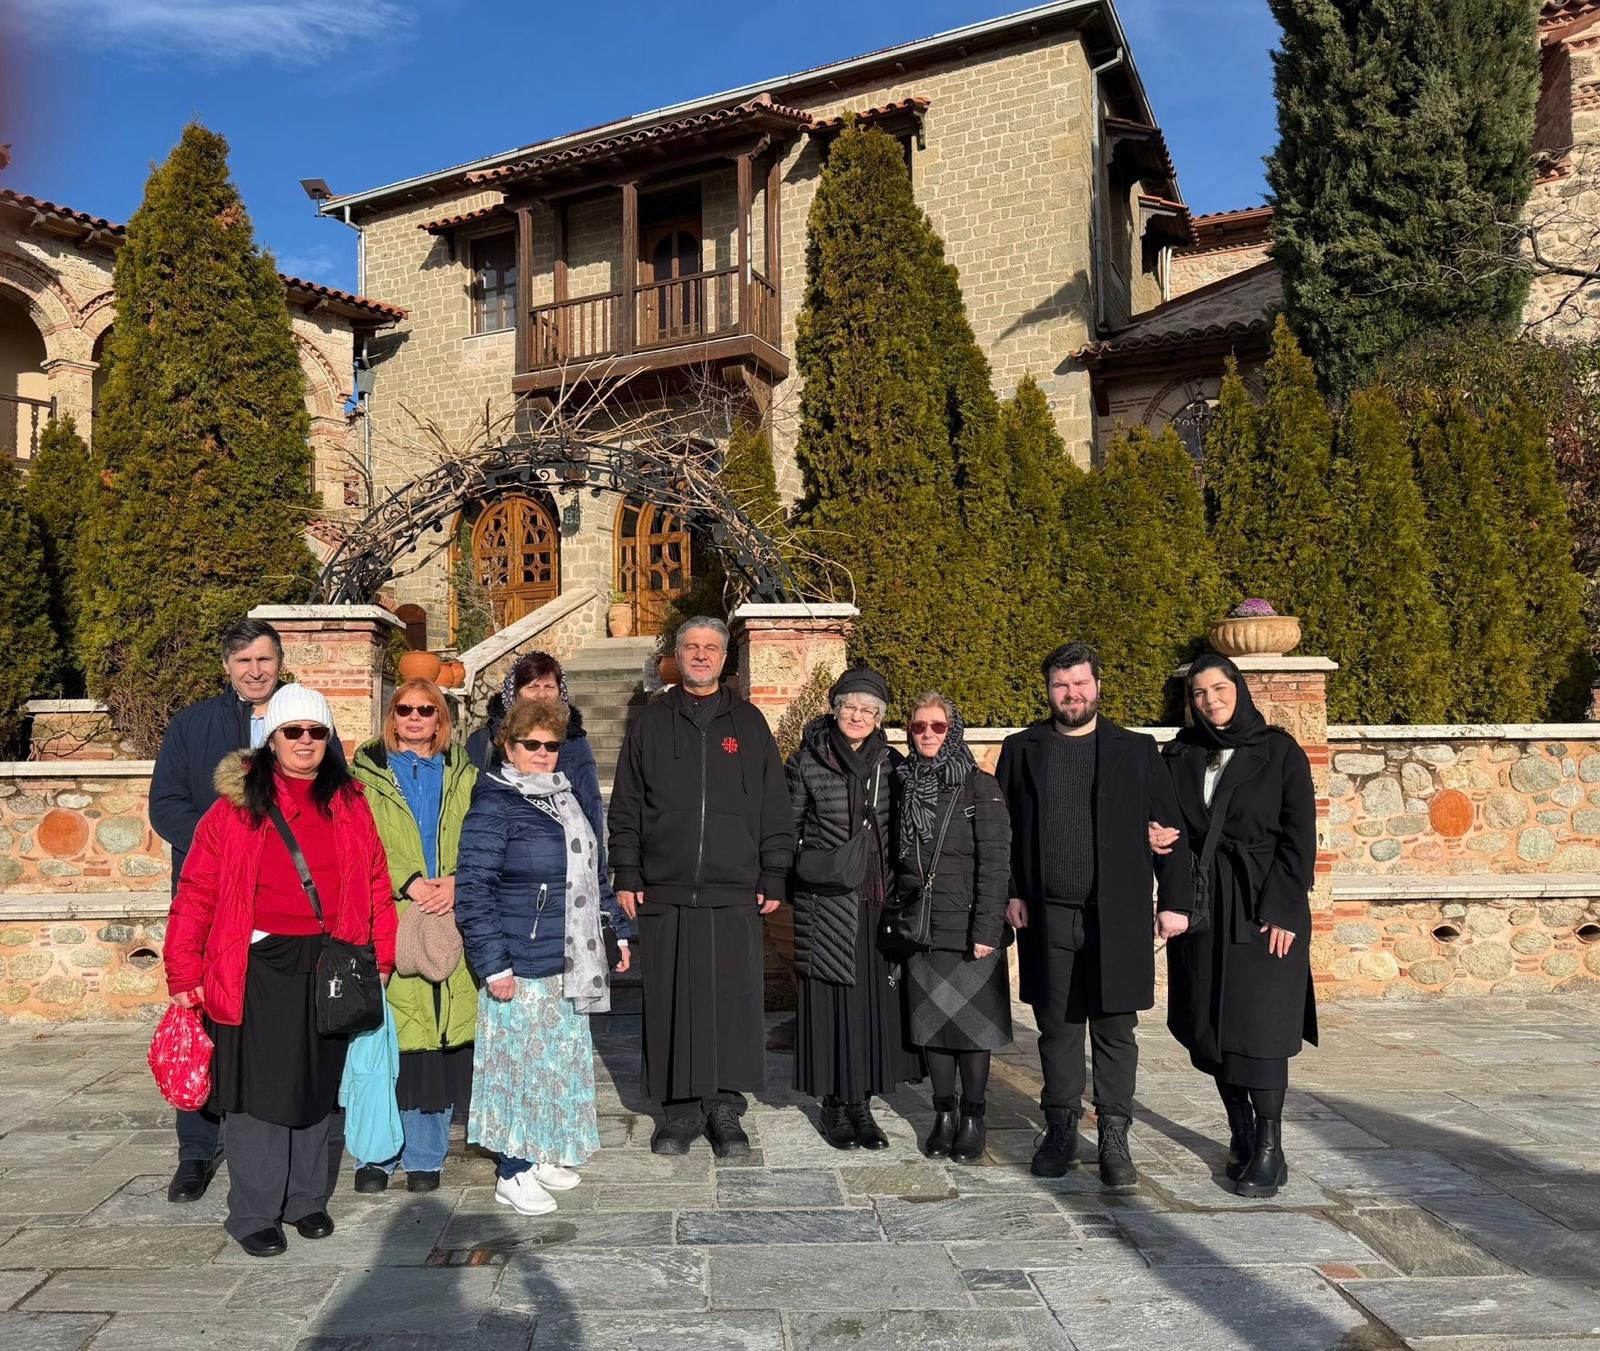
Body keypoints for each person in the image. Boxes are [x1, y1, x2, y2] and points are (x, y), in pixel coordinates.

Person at [163, 685, 396, 1257]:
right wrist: (183, 969)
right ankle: (253, 1211)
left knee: (316, 1083)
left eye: (317, 732)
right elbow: (197, 890)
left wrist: (382, 957)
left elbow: (375, 881)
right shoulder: (235, 807)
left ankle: (305, 1198)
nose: (306, 741)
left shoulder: (349, 801)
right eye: (294, 731)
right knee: (259, 1091)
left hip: (331, 958)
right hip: (256, 962)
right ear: (272, 739)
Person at [995, 641, 1192, 1190]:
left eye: (1080, 683)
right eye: (1061, 685)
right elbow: (1003, 830)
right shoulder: (1021, 749)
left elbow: (1170, 831)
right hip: (1047, 913)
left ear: (1098, 686)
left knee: (1115, 1028)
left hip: (1117, 914)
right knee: (1056, 1028)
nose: (1071, 694)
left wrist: (1174, 902)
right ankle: (1060, 1128)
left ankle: (1114, 1135)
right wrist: (1010, 892)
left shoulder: (1137, 750)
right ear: (1048, 690)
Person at [608, 616, 795, 1158]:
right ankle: (679, 1109)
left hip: (734, 888)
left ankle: (723, 1106)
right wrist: (627, 871)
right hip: (665, 888)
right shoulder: (651, 722)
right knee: (671, 1000)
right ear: (678, 655)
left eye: (711, 647)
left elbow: (774, 804)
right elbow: (627, 804)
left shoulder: (749, 723)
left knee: (731, 1001)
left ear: (724, 658)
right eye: (691, 646)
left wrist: (774, 871)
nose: (701, 655)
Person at [454, 698, 632, 1217]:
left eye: (550, 745)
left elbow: (593, 875)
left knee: (557, 1064)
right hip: (520, 957)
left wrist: (617, 933)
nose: (541, 753)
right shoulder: (495, 802)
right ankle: (513, 1169)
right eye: (529, 744)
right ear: (507, 747)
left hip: (569, 955)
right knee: (518, 1069)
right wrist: (494, 963)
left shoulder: (564, 797)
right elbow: (474, 889)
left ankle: (544, 1149)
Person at [150, 618, 297, 1204]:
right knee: (203, 1016)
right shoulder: (192, 726)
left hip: (284, 904)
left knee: (274, 1022)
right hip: (212, 901)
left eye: (264, 659)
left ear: (279, 662)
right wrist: (226, 848)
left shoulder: (303, 721)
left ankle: (271, 1138)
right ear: (227, 667)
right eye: (243, 661)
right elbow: (166, 805)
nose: (255, 671)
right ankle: (195, 1150)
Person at [1159, 653, 1317, 1198]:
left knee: (1261, 1027)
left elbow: (1299, 837)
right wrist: (1151, 835)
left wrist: (1283, 909)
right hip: (1203, 901)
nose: (1210, 700)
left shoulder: (1279, 752)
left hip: (1263, 904)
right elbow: (1163, 823)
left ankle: (1271, 1147)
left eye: (1219, 688)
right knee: (1213, 1026)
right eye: (1199, 693)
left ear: (1239, 689)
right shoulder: (1179, 754)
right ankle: (1241, 1132)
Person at [349, 679, 479, 1195]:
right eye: (405, 709)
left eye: (427, 710)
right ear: (392, 715)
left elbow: (484, 836)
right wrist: (408, 879)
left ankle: (425, 1153)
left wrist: (458, 881)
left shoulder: (465, 774)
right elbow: (359, 842)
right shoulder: (365, 777)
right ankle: (377, 1153)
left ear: (440, 719)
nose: (415, 718)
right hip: (388, 910)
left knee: (439, 1036)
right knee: (384, 1038)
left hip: (449, 908)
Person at [785, 668, 921, 1150]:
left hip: (877, 902)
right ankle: (833, 1105)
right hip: (825, 902)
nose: (857, 716)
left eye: (868, 710)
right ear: (835, 708)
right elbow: (785, 829)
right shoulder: (806, 761)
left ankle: (861, 1104)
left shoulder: (892, 764)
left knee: (869, 1003)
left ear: (879, 718)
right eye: (850, 706)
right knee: (830, 1002)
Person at [893, 693, 1012, 1163]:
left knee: (973, 1031)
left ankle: (973, 1116)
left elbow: (996, 864)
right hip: (922, 926)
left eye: (938, 726)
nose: (927, 734)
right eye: (918, 726)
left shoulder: (980, 787)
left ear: (953, 731)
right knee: (933, 1027)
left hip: (968, 928)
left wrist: (987, 929)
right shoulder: (903, 782)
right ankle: (943, 1113)